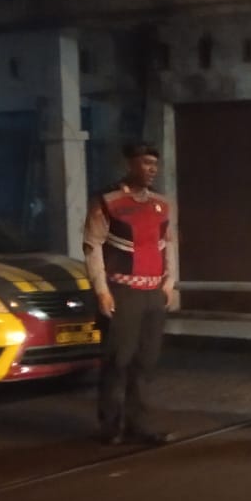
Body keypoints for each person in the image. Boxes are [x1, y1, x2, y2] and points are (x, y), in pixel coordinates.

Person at [83, 142, 177, 445]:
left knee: (146, 361)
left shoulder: (161, 203)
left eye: (155, 164)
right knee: (118, 359)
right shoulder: (108, 200)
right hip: (122, 291)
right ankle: (111, 425)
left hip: (153, 292)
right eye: (145, 162)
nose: (152, 169)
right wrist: (101, 290)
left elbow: (168, 243)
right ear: (129, 164)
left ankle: (141, 424)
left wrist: (169, 282)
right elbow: (93, 246)